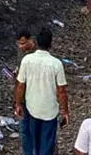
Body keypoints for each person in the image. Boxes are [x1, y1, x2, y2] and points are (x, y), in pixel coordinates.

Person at [15, 27, 68, 155]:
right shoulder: (56, 64)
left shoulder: (27, 60)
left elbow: (20, 85)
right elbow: (61, 91)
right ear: (50, 44)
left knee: (34, 141)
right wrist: (65, 111)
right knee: (47, 143)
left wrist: (17, 104)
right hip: (49, 111)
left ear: (36, 42)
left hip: (32, 107)